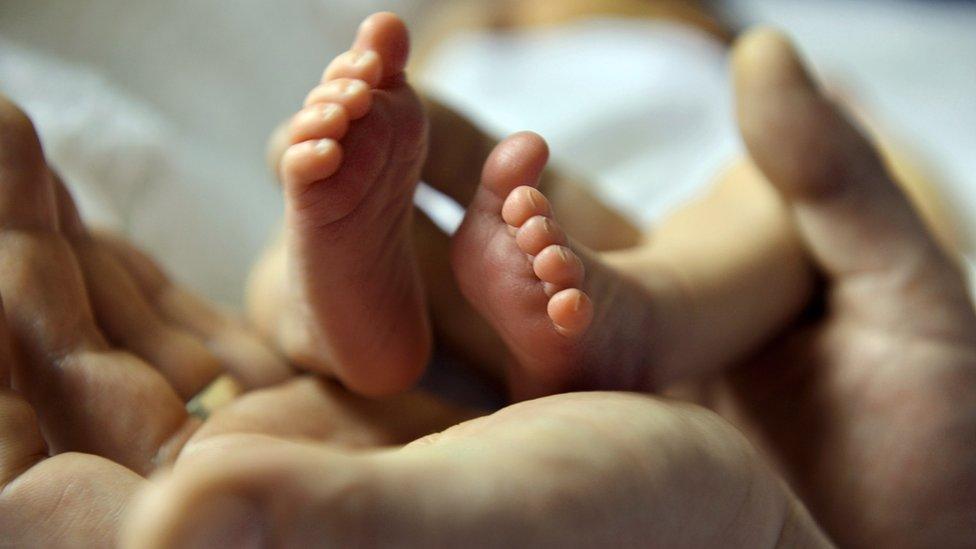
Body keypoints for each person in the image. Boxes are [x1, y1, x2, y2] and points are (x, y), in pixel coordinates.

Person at [0, 12, 973, 549]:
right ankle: (340, 315)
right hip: (480, 217)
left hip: (653, 203)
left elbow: (893, 196)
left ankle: (649, 310)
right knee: (292, 272)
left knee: (769, 203)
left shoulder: (724, 61)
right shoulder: (473, 40)